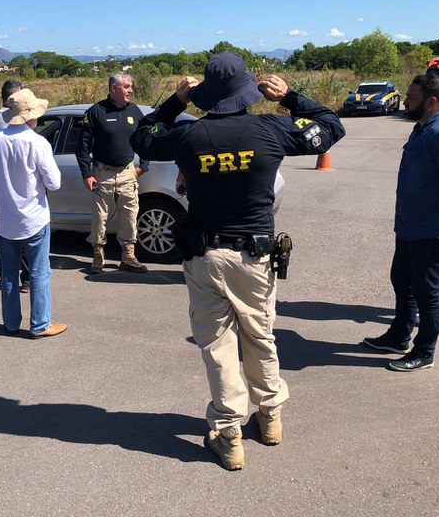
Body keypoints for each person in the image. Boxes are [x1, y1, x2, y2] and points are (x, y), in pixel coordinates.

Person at [130, 51, 346, 470]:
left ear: (206, 95)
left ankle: (229, 434)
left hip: (205, 255)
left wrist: (176, 101)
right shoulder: (271, 128)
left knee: (218, 346)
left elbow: (142, 136)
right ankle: (270, 418)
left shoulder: (188, 136)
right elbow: (331, 127)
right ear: (249, 91)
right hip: (255, 256)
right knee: (260, 335)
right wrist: (290, 97)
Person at [363, 75, 439, 372]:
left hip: (432, 228)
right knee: (402, 281)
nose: (405, 102)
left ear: (431, 102)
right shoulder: (423, 127)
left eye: (411, 98)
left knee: (428, 292)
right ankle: (399, 336)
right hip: (409, 225)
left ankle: (425, 351)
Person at [0, 88, 67, 338]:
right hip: (34, 219)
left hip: (6, 220)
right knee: (39, 272)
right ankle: (40, 324)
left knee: (8, 274)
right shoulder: (38, 142)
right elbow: (54, 183)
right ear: (32, 115)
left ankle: (10, 323)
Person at [77, 72, 149, 274]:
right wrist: (86, 174)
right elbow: (81, 147)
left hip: (128, 172)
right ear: (114, 89)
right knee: (99, 217)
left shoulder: (134, 111)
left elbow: (146, 140)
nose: (131, 90)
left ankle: (128, 256)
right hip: (102, 173)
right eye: (126, 86)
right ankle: (98, 255)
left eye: (130, 86)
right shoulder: (96, 111)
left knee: (129, 216)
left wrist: (144, 165)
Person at [0, 79, 31, 292]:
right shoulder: (13, 122)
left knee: (4, 231)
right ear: (10, 100)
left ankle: (6, 276)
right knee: (25, 233)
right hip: (20, 185)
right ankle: (27, 279)